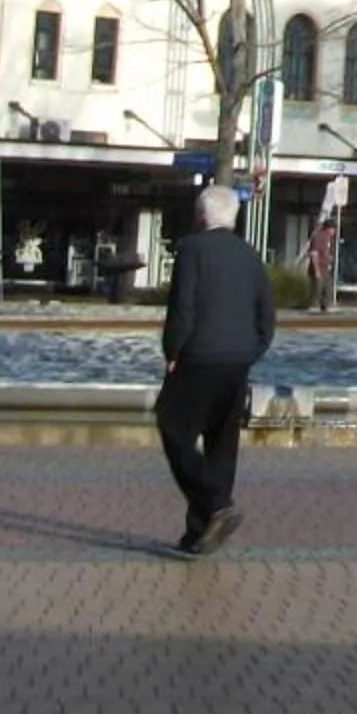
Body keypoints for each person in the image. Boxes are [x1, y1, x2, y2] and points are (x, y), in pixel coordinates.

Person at [157, 184, 275, 558]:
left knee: (173, 426)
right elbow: (266, 316)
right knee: (221, 445)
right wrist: (251, 351)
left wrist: (172, 350)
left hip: (198, 357)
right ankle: (200, 531)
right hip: (237, 360)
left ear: (200, 215)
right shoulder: (251, 255)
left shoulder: (191, 249)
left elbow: (183, 306)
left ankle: (216, 504)